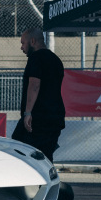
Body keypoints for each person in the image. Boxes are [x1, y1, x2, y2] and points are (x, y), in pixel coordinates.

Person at [11, 28, 65, 162]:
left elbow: (34, 85)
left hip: (39, 118)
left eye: (23, 43)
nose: (21, 47)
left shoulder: (36, 58)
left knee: (18, 148)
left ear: (33, 41)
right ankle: (48, 181)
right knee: (45, 156)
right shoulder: (56, 60)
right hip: (55, 116)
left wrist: (28, 113)